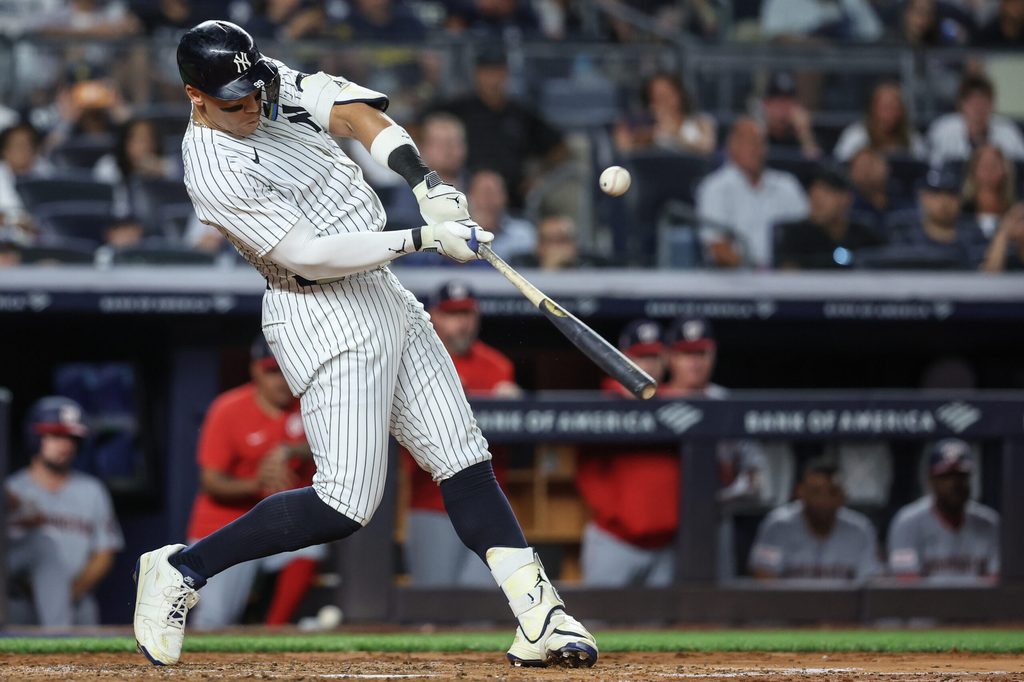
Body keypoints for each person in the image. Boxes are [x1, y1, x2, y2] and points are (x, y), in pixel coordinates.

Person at [132, 20, 596, 668]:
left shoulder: (265, 80)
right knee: (345, 503)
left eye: (252, 91)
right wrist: (423, 238)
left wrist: (425, 183)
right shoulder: (211, 166)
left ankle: (538, 612)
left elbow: (351, 114)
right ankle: (182, 567)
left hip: (379, 291)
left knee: (463, 456)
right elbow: (310, 256)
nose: (250, 107)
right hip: (317, 309)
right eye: (233, 101)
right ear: (195, 95)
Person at [184, 337, 324, 629]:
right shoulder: (228, 408)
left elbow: (338, 442)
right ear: (256, 371)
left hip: (278, 523)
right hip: (225, 525)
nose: (282, 380)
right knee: (215, 620)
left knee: (312, 546)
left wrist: (291, 450)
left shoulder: (309, 405)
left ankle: (274, 631)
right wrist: (257, 484)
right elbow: (211, 483)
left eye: (288, 370)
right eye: (273, 371)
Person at [403, 281, 520, 587]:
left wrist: (514, 407)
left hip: (489, 504)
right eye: (452, 314)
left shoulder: (497, 366)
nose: (462, 322)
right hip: (432, 503)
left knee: (484, 604)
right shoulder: (416, 360)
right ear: (434, 316)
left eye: (467, 313)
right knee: (433, 602)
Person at [5, 396, 124, 626]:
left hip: (78, 603)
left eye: (71, 438)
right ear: (35, 437)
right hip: (19, 603)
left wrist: (66, 593)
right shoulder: (11, 490)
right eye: (56, 436)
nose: (66, 445)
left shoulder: (92, 490)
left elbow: (105, 552)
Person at [576, 319, 677, 587]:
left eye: (655, 357)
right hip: (614, 540)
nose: (648, 365)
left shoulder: (675, 406)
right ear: (621, 359)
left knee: (664, 628)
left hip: (666, 545)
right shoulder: (605, 405)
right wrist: (617, 517)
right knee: (600, 623)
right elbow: (586, 473)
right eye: (641, 357)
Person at [424, 46, 565, 208]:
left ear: (506, 73)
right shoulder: (460, 107)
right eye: (486, 72)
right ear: (476, 74)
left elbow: (560, 148)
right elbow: (414, 127)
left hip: (515, 198)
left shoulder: (519, 113)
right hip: (466, 193)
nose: (492, 79)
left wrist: (538, 176)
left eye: (497, 71)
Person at [695, 117, 808, 269]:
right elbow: (717, 247)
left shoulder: (787, 185)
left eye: (760, 142)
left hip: (787, 279)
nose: (756, 149)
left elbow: (806, 236)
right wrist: (756, 272)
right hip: (733, 282)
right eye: (748, 142)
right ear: (731, 147)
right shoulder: (715, 188)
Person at [749, 459, 879, 582]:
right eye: (816, 492)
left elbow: (870, 585)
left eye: (832, 492)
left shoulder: (861, 529)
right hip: (789, 605)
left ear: (843, 495)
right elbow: (764, 581)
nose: (824, 500)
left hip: (844, 605)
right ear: (800, 492)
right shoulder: (777, 526)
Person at [888, 439, 1000, 582]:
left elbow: (998, 581)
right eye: (946, 477)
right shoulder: (906, 522)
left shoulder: (991, 522)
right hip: (923, 604)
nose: (954, 484)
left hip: (982, 604)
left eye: (960, 476)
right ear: (931, 480)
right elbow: (906, 582)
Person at [775, 166, 886, 269]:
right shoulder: (795, 236)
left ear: (846, 198)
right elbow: (787, 281)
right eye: (812, 192)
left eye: (826, 192)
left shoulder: (865, 235)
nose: (816, 200)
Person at [891, 167, 988, 269]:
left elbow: (989, 274)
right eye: (936, 193)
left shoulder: (974, 235)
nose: (944, 201)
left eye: (951, 194)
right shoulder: (905, 235)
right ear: (923, 197)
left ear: (960, 199)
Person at [927, 73, 1024, 170]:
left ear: (992, 104)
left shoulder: (1008, 132)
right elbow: (932, 170)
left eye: (983, 102)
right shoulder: (943, 130)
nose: (978, 108)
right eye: (973, 102)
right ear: (961, 104)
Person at [613, 72, 716, 155]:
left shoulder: (701, 122)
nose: (664, 102)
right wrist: (650, 135)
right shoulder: (635, 123)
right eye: (657, 97)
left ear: (679, 95)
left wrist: (676, 134)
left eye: (668, 95)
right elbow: (623, 149)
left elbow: (706, 149)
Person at [833, 81, 928, 162]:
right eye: (885, 108)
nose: (890, 113)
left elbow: (923, 166)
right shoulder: (856, 135)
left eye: (894, 108)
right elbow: (841, 165)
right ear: (873, 108)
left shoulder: (912, 138)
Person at [466, 169, 537, 261]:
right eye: (483, 193)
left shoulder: (524, 234)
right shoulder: (454, 234)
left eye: (494, 193)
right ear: (468, 198)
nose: (488, 200)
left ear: (505, 197)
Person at [756, 72, 820, 159]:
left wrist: (805, 134)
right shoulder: (760, 133)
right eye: (779, 101)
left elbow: (817, 167)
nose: (783, 108)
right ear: (766, 104)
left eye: (789, 100)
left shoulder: (802, 137)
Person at [508, 214, 607, 270]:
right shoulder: (522, 265)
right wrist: (549, 270)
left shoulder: (591, 266)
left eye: (562, 241)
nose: (557, 249)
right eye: (551, 241)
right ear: (538, 247)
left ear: (573, 245)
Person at [960, 144, 1018, 238]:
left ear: (1005, 170)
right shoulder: (961, 211)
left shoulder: (1015, 212)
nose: (989, 170)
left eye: (994, 165)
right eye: (984, 165)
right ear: (973, 171)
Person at [760, 0, 883, 43]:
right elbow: (774, 35)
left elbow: (873, 33)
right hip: (797, 67)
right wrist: (812, 43)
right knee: (809, 61)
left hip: (848, 68)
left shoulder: (851, 2)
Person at [981, 201, 1024, 271]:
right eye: (1016, 219)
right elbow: (990, 272)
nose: (1020, 224)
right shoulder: (1008, 255)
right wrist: (1004, 232)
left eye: (1022, 218)